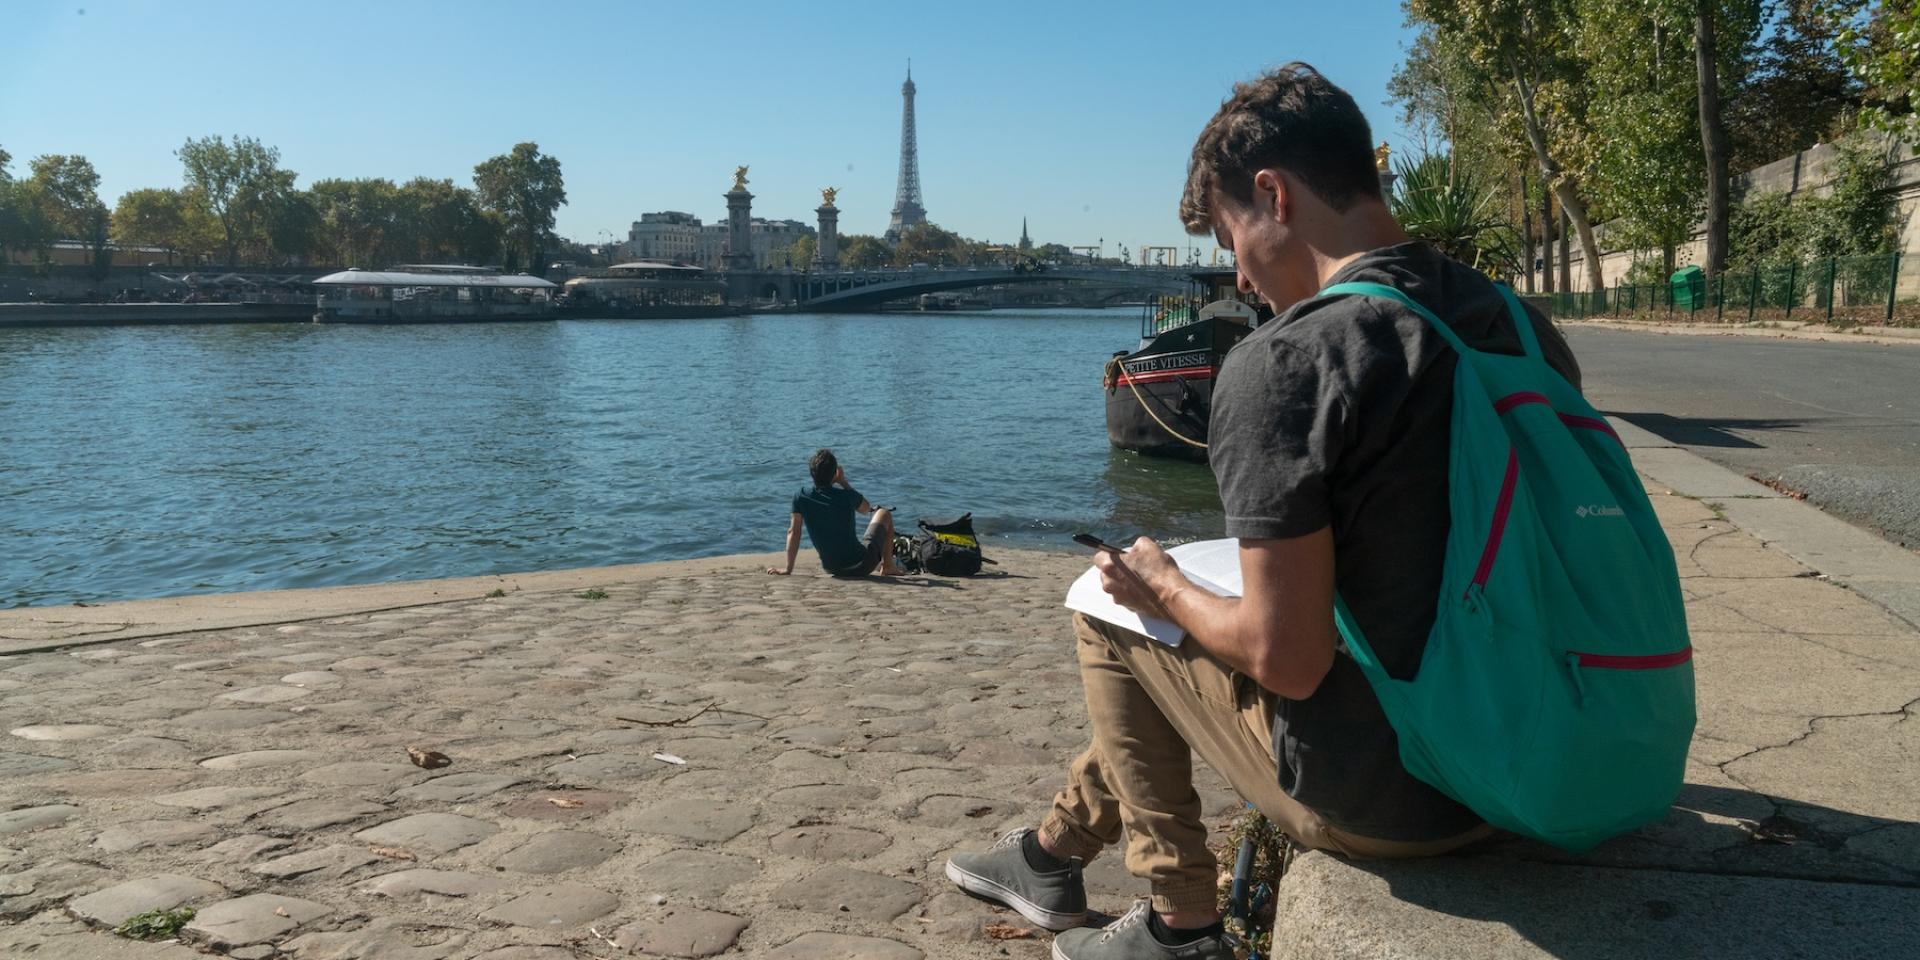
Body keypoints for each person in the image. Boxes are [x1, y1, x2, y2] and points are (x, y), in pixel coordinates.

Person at [944, 64, 1583, 960]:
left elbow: (1288, 660)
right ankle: (1050, 851)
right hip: (1540, 755)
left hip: (1400, 800)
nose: (1239, 276)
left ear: (1273, 195)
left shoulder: (1289, 360)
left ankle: (1178, 924)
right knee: (1177, 623)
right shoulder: (1521, 325)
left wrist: (1163, 586)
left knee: (1112, 610)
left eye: (1226, 233)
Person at [768, 448, 906, 578]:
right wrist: (843, 482)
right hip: (861, 565)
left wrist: (788, 569)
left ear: (812, 473)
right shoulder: (846, 495)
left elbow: (794, 532)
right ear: (834, 473)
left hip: (831, 567)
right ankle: (888, 566)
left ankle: (885, 564)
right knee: (884, 513)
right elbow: (866, 509)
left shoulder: (801, 496)